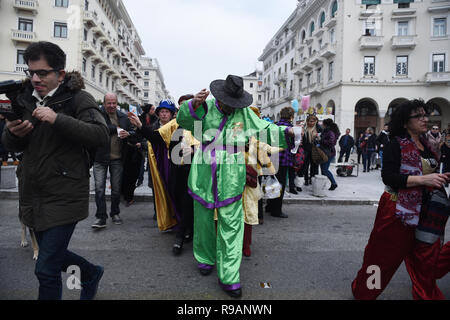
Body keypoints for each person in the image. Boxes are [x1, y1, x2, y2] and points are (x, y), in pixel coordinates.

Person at [1, 41, 109, 300]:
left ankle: (90, 275)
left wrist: (57, 118)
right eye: (31, 72)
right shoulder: (23, 98)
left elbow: (101, 135)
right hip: (32, 192)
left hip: (65, 194)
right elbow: (13, 143)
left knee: (46, 268)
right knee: (54, 255)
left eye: (43, 73)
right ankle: (91, 273)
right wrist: (12, 133)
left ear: (60, 74)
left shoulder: (78, 98)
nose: (35, 78)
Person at [176, 75, 294, 298]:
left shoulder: (244, 112)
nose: (232, 107)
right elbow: (184, 122)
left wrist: (285, 132)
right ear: (220, 98)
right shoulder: (206, 107)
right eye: (228, 103)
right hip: (204, 171)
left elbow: (264, 127)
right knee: (203, 220)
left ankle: (229, 275)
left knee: (232, 224)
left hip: (231, 173)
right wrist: (192, 105)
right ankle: (205, 258)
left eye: (235, 104)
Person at [352, 99, 450, 300]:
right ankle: (364, 293)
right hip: (396, 209)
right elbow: (389, 178)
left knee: (427, 260)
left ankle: (426, 295)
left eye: (425, 115)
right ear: (405, 122)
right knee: (382, 258)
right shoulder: (394, 144)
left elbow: (432, 171)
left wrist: (438, 179)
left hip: (427, 211)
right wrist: (424, 179)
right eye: (419, 116)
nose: (425, 119)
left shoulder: (428, 145)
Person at [129, 99, 197, 255]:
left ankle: (181, 235)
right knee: (177, 199)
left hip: (192, 171)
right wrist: (140, 126)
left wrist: (194, 150)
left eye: (187, 107)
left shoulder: (197, 125)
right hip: (176, 170)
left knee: (187, 201)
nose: (183, 110)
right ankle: (187, 228)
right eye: (182, 107)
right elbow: (156, 137)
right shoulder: (173, 125)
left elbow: (206, 145)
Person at [91, 93, 136, 229]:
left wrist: (128, 134)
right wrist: (117, 129)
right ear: (104, 104)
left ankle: (115, 213)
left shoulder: (123, 117)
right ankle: (101, 217)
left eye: (114, 103)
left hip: (118, 159)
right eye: (108, 103)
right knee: (99, 189)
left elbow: (133, 132)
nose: (111, 105)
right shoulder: (98, 114)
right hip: (100, 157)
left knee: (116, 190)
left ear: (117, 103)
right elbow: (100, 129)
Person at [266, 107, 296, 219]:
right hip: (283, 159)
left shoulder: (273, 126)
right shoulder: (290, 128)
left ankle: (269, 205)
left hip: (271, 158)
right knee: (280, 184)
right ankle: (276, 210)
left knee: (271, 182)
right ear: (291, 116)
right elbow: (293, 145)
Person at [320, 118, 340, 191]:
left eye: (323, 124)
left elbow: (331, 142)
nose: (322, 125)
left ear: (326, 125)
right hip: (325, 152)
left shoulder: (330, 132)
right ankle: (323, 184)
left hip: (328, 153)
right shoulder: (327, 131)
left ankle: (334, 183)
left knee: (325, 170)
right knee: (323, 170)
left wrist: (321, 139)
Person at [301, 114, 321, 186]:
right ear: (307, 121)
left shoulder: (319, 129)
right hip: (306, 149)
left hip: (315, 150)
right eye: (310, 121)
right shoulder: (304, 128)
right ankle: (306, 180)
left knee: (314, 166)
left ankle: (313, 180)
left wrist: (318, 136)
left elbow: (322, 139)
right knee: (305, 166)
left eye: (313, 121)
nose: (311, 123)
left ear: (315, 121)